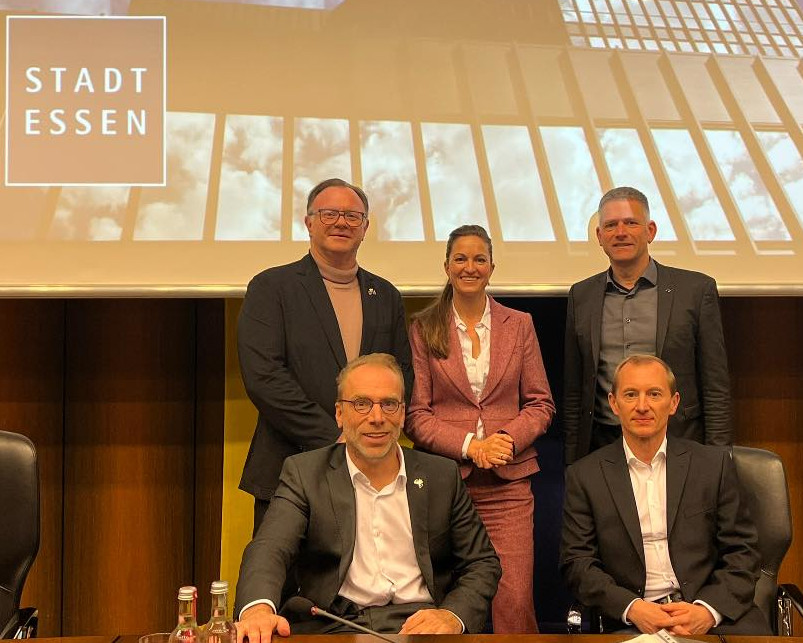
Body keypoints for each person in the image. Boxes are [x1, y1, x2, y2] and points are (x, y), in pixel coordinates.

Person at [234, 353, 501, 643]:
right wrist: (257, 609)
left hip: (419, 625)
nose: (377, 418)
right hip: (334, 624)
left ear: (402, 413)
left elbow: (482, 563)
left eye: (389, 404)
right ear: (339, 413)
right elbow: (270, 548)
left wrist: (452, 616)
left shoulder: (441, 476)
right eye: (361, 404)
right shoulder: (304, 473)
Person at [238, 178, 413, 532]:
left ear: (365, 228)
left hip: (370, 470)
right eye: (329, 213)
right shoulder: (272, 287)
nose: (341, 222)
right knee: (280, 580)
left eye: (352, 215)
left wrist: (365, 434)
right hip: (289, 464)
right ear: (309, 222)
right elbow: (264, 376)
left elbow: (401, 373)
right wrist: (334, 436)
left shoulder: (387, 295)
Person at [405, 225, 555, 633]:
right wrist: (472, 446)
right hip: (447, 486)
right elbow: (416, 414)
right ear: (447, 266)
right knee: (448, 603)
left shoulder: (519, 324)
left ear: (491, 267)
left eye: (479, 259)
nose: (469, 267)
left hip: (509, 486)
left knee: (514, 600)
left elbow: (541, 402)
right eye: (461, 258)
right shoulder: (423, 327)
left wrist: (503, 442)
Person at [560, 354, 769, 636]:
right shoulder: (585, 476)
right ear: (613, 404)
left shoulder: (712, 465)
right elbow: (578, 564)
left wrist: (707, 610)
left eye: (654, 394)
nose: (642, 406)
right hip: (634, 622)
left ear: (673, 403)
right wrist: (632, 607)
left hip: (716, 615)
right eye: (631, 394)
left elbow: (743, 551)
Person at [563, 186, 731, 465]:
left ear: (650, 231)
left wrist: (719, 460)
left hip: (679, 446)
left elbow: (716, 387)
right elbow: (573, 393)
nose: (620, 232)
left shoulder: (695, 291)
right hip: (603, 447)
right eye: (611, 225)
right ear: (599, 237)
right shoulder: (581, 297)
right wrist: (572, 463)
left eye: (631, 223)